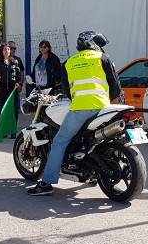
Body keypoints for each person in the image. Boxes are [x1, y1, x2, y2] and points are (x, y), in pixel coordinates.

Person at [27, 31, 122, 196]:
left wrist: (79, 99)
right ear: (91, 43)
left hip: (81, 109)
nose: (100, 47)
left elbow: (67, 90)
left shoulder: (69, 62)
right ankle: (92, 171)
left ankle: (46, 183)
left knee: (59, 142)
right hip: (103, 108)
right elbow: (115, 86)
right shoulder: (103, 58)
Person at [0, 43, 23, 128]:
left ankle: (13, 128)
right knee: (3, 107)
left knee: (15, 109)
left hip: (13, 89)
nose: (11, 50)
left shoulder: (16, 60)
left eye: (12, 48)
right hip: (3, 88)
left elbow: (20, 73)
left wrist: (20, 84)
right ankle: (1, 125)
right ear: (2, 51)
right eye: (8, 49)